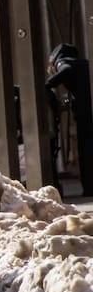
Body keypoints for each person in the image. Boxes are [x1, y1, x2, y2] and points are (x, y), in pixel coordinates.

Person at [46, 43, 93, 197]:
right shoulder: (84, 63)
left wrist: (47, 84)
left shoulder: (63, 62)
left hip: (86, 114)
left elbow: (66, 71)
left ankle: (89, 188)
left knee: (85, 152)